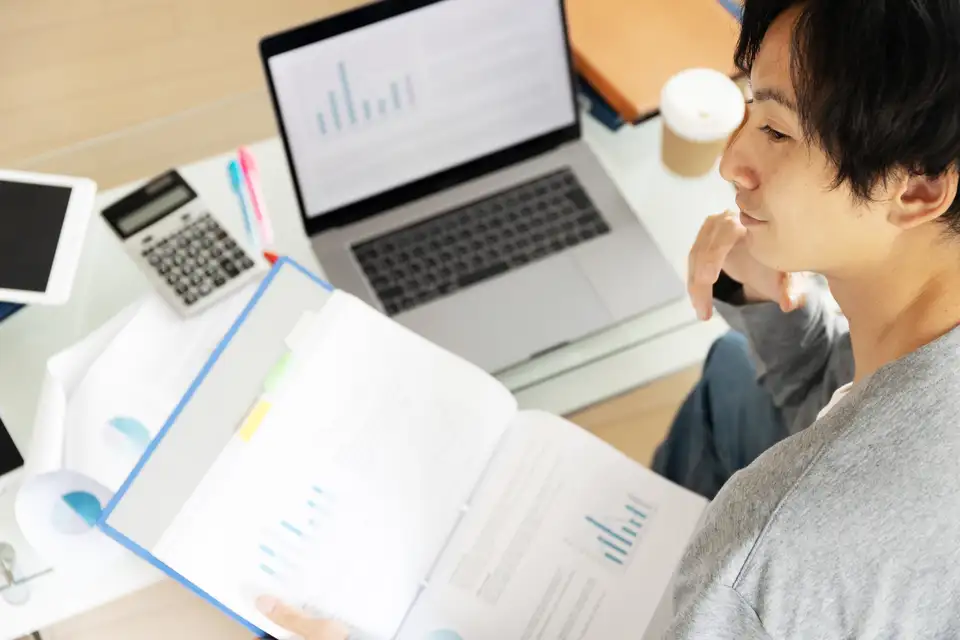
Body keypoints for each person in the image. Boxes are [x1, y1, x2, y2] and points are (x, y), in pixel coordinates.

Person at [258, 0, 960, 636]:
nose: (731, 161)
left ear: (919, 190)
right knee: (730, 373)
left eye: (777, 130)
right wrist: (768, 300)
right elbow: (857, 400)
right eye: (751, 106)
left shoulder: (768, 557)